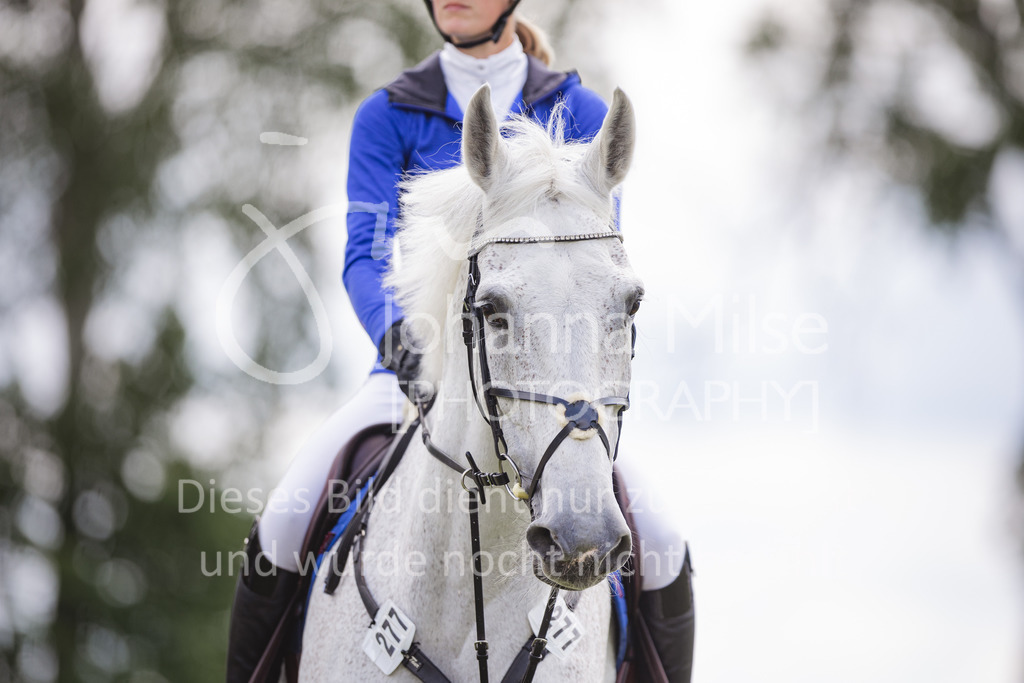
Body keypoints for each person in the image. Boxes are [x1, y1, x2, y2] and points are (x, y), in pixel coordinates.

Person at [226, 1, 695, 681]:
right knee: (281, 525)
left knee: (665, 541)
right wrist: (410, 348)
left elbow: (589, 276)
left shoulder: (583, 113)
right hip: (407, 376)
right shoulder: (387, 116)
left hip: (545, 390)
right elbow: (364, 254)